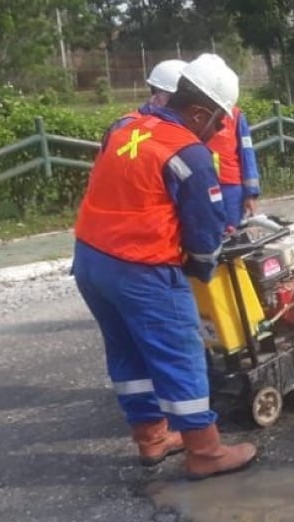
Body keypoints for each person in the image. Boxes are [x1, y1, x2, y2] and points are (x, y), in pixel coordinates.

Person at [72, 53, 257, 480]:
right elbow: (206, 232)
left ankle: (153, 437)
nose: (218, 132)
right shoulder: (189, 155)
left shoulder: (123, 127)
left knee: (127, 350)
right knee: (180, 352)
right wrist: (202, 269)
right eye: (217, 122)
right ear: (197, 112)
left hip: (90, 261)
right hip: (142, 268)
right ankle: (205, 452)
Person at [206, 101, 261, 227]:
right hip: (202, 185)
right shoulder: (193, 113)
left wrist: (251, 193)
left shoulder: (235, 115)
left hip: (230, 189)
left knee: (233, 233)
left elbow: (247, 153)